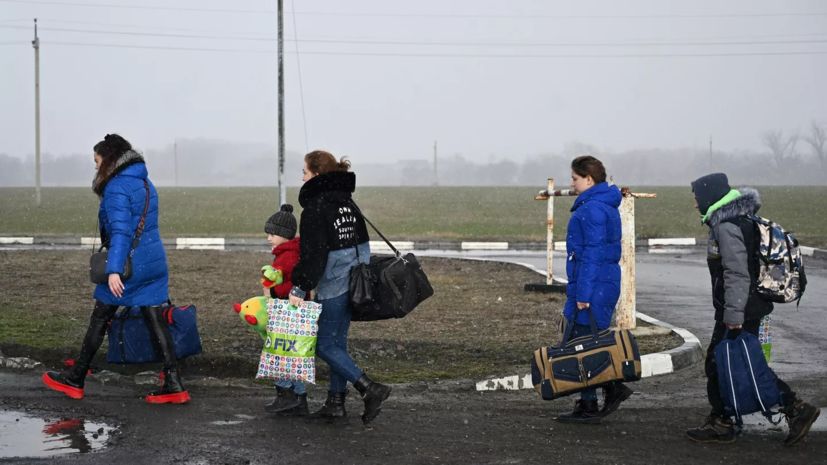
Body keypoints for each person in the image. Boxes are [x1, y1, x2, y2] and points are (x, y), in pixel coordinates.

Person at [42, 134, 189, 404]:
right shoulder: (145, 183)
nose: (95, 167)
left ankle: (76, 378)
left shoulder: (116, 187)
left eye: (97, 161)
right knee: (155, 319)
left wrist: (114, 270)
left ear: (109, 160)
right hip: (153, 261)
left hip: (130, 266)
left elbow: (121, 232)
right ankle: (174, 382)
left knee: (100, 316)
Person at [686, 173, 820, 445]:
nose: (695, 203)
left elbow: (736, 273)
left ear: (710, 196)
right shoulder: (739, 220)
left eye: (697, 197)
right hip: (747, 305)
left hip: (741, 308)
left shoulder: (726, 226)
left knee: (730, 364)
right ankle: (725, 418)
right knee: (733, 363)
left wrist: (733, 315)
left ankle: (792, 409)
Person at [288, 150, 391, 425]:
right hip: (356, 284)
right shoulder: (347, 202)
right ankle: (335, 402)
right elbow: (363, 246)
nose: (302, 177)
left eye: (305, 172)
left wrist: (300, 286)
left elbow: (314, 255)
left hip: (333, 286)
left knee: (323, 345)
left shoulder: (315, 208)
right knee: (337, 344)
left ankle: (369, 388)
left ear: (317, 175)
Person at [555, 155, 633, 424]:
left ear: (589, 179)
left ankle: (596, 399)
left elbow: (592, 254)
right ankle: (601, 394)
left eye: (575, 178)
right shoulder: (602, 205)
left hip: (594, 284)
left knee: (582, 344)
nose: (572, 183)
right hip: (601, 282)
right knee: (588, 342)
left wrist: (584, 294)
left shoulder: (592, 210)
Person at [259, 204, 307, 416]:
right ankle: (299, 398)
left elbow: (287, 285)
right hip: (296, 311)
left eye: (272, 234)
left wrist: (272, 289)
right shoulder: (292, 252)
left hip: (287, 310)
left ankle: (285, 393)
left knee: (280, 354)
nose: (268, 238)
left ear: (285, 235)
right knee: (293, 356)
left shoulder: (287, 256)